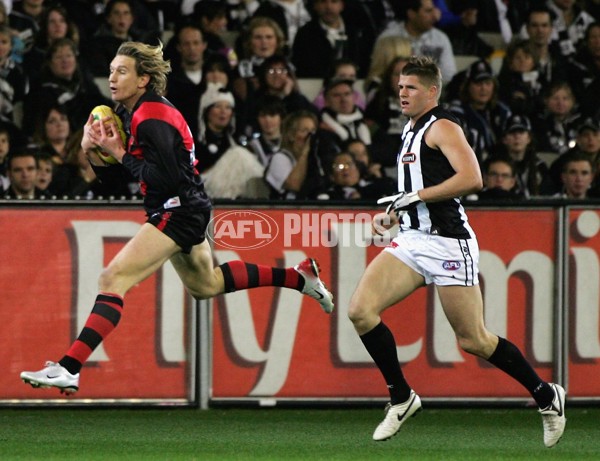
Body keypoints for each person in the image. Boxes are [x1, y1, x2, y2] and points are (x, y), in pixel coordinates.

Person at [20, 41, 334, 395]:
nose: (112, 77)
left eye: (122, 71)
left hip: (178, 209)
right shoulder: (131, 112)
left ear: (143, 80)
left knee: (112, 279)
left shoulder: (151, 117)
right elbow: (119, 178)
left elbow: (162, 177)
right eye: (110, 70)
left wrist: (118, 152)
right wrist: (92, 152)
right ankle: (299, 278)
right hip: (183, 206)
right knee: (206, 286)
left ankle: (69, 367)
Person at [347, 56, 566, 447]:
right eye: (400, 86)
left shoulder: (442, 125)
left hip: (449, 241)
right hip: (414, 240)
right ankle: (401, 397)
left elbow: (473, 178)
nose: (402, 92)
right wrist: (397, 213)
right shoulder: (410, 130)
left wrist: (413, 196)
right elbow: (424, 191)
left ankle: (547, 396)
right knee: (360, 311)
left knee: (474, 340)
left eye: (411, 87)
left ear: (432, 91)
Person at [447, 58, 511, 164]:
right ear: (468, 86)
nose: (483, 88)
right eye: (478, 83)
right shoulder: (456, 111)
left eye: (487, 83)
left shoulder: (502, 111)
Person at [291, 0, 375, 79]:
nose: (328, 7)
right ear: (315, 6)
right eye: (323, 1)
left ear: (342, 5)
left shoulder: (356, 32)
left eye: (334, 1)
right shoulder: (305, 34)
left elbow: (365, 63)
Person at [377, 0, 456, 82]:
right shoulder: (388, 38)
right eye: (428, 11)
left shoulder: (440, 39)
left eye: (433, 10)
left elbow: (448, 75)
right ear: (411, 14)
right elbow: (378, 74)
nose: (434, 16)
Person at [264, 109, 332, 199]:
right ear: (291, 135)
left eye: (313, 131)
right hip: (286, 210)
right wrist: (305, 152)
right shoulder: (280, 158)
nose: (310, 136)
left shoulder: (315, 158)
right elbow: (294, 185)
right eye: (304, 131)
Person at [494, 114, 549, 198]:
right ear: (504, 139)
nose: (517, 136)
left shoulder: (539, 166)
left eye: (521, 132)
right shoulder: (496, 166)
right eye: (512, 132)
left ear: (529, 138)